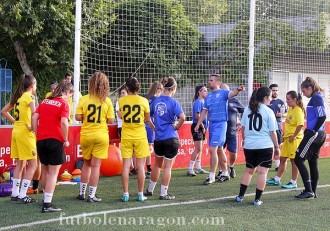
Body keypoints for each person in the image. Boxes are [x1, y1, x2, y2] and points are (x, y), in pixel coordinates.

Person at [194, 74, 245, 185]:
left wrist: (238, 90)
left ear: (218, 82)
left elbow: (233, 94)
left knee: (213, 150)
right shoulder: (209, 96)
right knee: (219, 149)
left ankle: (211, 176)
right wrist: (198, 124)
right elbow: (204, 111)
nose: (209, 82)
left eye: (211, 80)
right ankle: (225, 173)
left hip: (221, 124)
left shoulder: (223, 93)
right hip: (211, 124)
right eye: (209, 80)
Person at [32, 81, 72, 212]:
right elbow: (64, 123)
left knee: (45, 169)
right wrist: (65, 139)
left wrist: (37, 134)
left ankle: (45, 198)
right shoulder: (64, 104)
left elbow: (34, 117)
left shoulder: (44, 101)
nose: (70, 98)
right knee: (53, 173)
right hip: (55, 139)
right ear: (67, 92)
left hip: (41, 140)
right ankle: (47, 204)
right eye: (70, 95)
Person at [235, 86, 280, 206]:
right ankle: (257, 200)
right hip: (265, 145)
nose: (271, 99)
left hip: (250, 146)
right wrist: (277, 147)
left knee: (249, 171)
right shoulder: (268, 111)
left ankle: (240, 196)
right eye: (270, 97)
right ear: (265, 98)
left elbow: (243, 128)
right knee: (262, 173)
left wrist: (245, 140)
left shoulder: (247, 109)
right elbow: (273, 132)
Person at [75, 72, 115, 202]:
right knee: (96, 166)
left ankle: (82, 193)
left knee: (86, 164)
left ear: (91, 84)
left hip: (86, 135)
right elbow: (110, 120)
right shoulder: (107, 101)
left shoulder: (84, 99)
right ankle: (91, 196)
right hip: (101, 135)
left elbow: (77, 117)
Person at [144, 77, 185, 200]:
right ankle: (163, 193)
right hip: (170, 137)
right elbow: (182, 117)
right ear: (173, 88)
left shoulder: (155, 101)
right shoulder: (174, 102)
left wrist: (154, 127)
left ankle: (150, 190)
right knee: (167, 167)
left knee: (157, 165)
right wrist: (177, 126)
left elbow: (146, 117)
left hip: (159, 138)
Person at [1, 74, 38, 203]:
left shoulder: (18, 97)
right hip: (25, 134)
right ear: (32, 85)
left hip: (16, 132)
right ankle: (23, 195)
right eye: (35, 85)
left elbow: (4, 111)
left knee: (20, 163)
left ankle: (15, 194)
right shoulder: (29, 96)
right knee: (33, 164)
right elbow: (35, 114)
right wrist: (33, 129)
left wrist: (15, 122)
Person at [118, 77, 155, 202]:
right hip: (140, 136)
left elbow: (121, 116)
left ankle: (126, 194)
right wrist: (155, 129)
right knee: (140, 166)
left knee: (126, 166)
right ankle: (140, 194)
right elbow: (147, 119)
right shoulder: (144, 101)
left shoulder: (121, 101)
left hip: (127, 136)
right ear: (138, 87)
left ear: (127, 88)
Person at [294, 77, 326, 199]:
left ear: (310, 88)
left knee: (298, 158)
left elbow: (322, 116)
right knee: (313, 161)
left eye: (304, 91)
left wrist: (312, 131)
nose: (303, 94)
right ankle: (313, 191)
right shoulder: (317, 97)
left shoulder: (316, 97)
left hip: (315, 134)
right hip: (319, 133)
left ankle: (309, 191)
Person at [266, 91, 305, 189]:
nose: (286, 101)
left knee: (294, 161)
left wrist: (294, 136)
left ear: (294, 99)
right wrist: (284, 135)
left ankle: (293, 182)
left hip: (294, 139)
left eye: (288, 99)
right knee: (283, 159)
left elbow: (300, 125)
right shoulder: (291, 109)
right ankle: (277, 179)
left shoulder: (298, 110)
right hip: (288, 138)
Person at [220, 84, 245, 179]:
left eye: (226, 90)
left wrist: (241, 122)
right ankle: (222, 170)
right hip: (220, 131)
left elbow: (245, 111)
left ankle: (231, 166)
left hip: (232, 131)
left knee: (233, 152)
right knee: (219, 151)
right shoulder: (217, 101)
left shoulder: (234, 100)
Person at [187, 85, 209, 176]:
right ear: (199, 92)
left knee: (200, 149)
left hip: (202, 126)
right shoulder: (198, 102)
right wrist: (202, 126)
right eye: (204, 91)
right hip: (198, 126)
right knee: (198, 148)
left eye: (207, 91)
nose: (206, 92)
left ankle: (198, 167)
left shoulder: (204, 102)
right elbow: (197, 116)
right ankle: (190, 168)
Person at [144, 81, 163, 179]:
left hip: (142, 125)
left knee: (143, 148)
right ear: (159, 89)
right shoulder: (157, 100)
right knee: (149, 148)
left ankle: (145, 169)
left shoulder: (144, 97)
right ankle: (148, 170)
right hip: (150, 125)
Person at [268, 83, 286, 171]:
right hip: (268, 128)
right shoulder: (267, 102)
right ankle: (267, 163)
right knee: (268, 146)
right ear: (270, 91)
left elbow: (287, 113)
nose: (275, 92)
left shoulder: (281, 102)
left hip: (278, 127)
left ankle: (277, 165)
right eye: (273, 90)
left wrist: (282, 114)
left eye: (276, 90)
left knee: (277, 146)